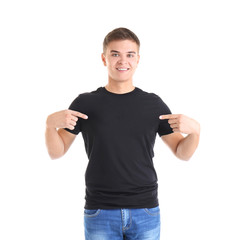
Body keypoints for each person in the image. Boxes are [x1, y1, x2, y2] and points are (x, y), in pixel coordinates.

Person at [45, 27, 200, 240]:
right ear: (104, 58)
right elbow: (56, 152)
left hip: (145, 210)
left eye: (130, 54)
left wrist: (196, 133)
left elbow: (182, 152)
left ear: (138, 60)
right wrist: (49, 126)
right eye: (115, 54)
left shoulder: (153, 104)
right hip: (100, 210)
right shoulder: (85, 103)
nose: (122, 61)